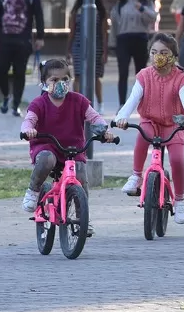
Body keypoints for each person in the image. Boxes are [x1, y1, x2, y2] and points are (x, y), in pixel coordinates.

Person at [113, 33, 184, 224]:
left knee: (177, 159)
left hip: (174, 124)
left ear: (174, 56)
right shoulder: (144, 75)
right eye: (154, 52)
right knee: (142, 136)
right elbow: (132, 99)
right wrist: (121, 118)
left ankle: (179, 200)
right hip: (151, 120)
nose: (158, 56)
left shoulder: (181, 78)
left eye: (164, 52)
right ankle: (136, 176)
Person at [20, 58, 117, 227]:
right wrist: (28, 130)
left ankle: (82, 220)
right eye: (54, 80)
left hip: (73, 149)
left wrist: (104, 130)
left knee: (81, 176)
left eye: (64, 79)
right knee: (46, 159)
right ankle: (33, 191)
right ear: (44, 83)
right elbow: (29, 120)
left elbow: (94, 117)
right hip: (47, 145)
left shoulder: (78, 101)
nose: (60, 83)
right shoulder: (39, 103)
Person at [0, 0, 46, 116]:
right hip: (4, 40)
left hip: (23, 40)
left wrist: (40, 37)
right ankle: (6, 96)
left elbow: (38, 16)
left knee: (19, 72)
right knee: (0, 70)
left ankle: (15, 105)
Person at [111, 0, 157, 105]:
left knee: (141, 73)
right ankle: (122, 104)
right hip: (123, 40)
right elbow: (114, 24)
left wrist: (142, 8)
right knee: (123, 72)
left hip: (140, 38)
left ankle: (143, 102)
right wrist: (112, 43)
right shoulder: (120, 3)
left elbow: (153, 17)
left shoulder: (146, 2)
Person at [68, 0, 109, 113]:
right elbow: (72, 32)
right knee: (78, 76)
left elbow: (104, 34)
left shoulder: (100, 13)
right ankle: (76, 104)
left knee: (95, 76)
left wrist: (105, 52)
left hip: (96, 47)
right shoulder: (77, 11)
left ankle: (100, 104)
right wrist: (68, 49)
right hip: (79, 45)